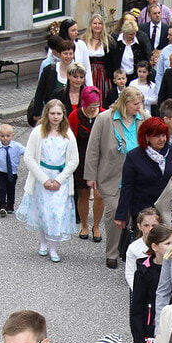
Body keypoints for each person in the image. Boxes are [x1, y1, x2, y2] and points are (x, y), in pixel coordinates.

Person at [84, 86, 145, 268]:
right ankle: (112, 253)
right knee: (114, 213)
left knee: (138, 215)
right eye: (135, 104)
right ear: (125, 103)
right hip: (112, 177)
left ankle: (133, 251)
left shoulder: (144, 117)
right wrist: (90, 175)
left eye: (140, 103)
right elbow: (93, 148)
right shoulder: (105, 118)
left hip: (138, 177)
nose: (139, 107)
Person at [15, 100, 78, 264]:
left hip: (60, 178)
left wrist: (59, 179)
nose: (55, 117)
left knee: (56, 213)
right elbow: (29, 157)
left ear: (63, 115)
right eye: (52, 113)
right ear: (47, 114)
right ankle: (43, 242)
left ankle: (53, 248)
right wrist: (43, 179)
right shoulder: (38, 132)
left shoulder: (68, 133)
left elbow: (74, 160)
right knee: (43, 211)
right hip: (42, 176)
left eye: (59, 114)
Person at [114, 116, 172, 232]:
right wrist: (121, 214)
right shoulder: (134, 156)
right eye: (157, 136)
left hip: (169, 211)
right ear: (147, 137)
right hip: (143, 211)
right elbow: (127, 186)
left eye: (163, 135)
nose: (161, 139)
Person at [68, 85, 105, 242]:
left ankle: (96, 226)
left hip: (101, 160)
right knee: (83, 194)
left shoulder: (104, 114)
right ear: (84, 102)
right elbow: (69, 139)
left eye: (96, 104)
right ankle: (84, 225)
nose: (94, 108)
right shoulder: (75, 116)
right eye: (91, 105)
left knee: (99, 196)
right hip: (82, 159)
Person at [131, 224, 172, 343]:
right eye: (168, 243)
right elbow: (136, 310)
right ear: (154, 246)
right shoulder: (144, 272)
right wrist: (139, 342)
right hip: (150, 329)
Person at [29, 38, 75, 126]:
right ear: (59, 54)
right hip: (51, 114)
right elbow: (40, 91)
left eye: (70, 53)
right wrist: (37, 112)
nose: (68, 56)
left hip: (70, 114)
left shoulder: (76, 71)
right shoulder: (49, 70)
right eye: (65, 53)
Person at [0, 123, 25, 217]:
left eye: (8, 136)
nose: (5, 138)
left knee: (11, 190)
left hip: (12, 173)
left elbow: (27, 152)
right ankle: (2, 207)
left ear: (12, 136)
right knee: (1, 189)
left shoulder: (17, 146)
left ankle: (10, 207)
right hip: (0, 173)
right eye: (2, 136)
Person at [125, 207, 164, 291]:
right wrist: (137, 290)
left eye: (154, 225)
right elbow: (130, 273)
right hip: (141, 288)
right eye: (146, 225)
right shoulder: (133, 248)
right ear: (139, 226)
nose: (150, 229)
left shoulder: (165, 244)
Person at [83, 13, 116, 107]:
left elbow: (113, 60)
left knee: (102, 95)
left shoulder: (109, 41)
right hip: (88, 72)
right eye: (95, 23)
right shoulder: (84, 40)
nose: (97, 26)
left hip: (103, 74)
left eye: (99, 23)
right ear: (90, 25)